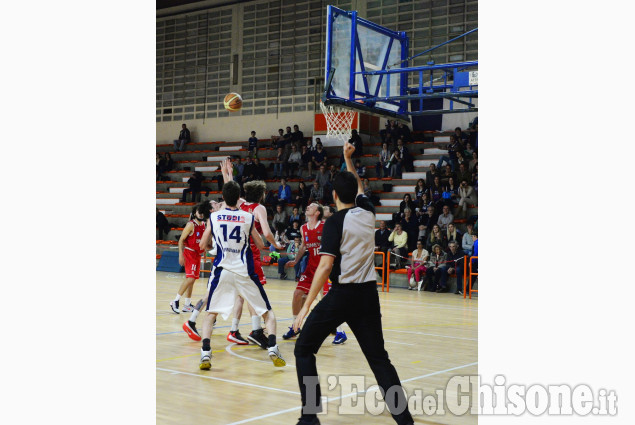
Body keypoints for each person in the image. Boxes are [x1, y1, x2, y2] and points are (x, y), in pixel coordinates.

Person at [292, 142, 414, 425]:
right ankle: (405, 420)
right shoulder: (368, 212)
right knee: (379, 360)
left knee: (304, 349)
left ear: (333, 195)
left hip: (342, 295)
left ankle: (309, 417)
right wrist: (349, 159)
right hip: (368, 296)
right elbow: (358, 188)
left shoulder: (334, 223)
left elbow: (324, 266)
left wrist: (305, 307)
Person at [197, 180, 286, 370]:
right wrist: (277, 250)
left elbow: (202, 245)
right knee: (267, 313)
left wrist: (217, 246)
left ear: (223, 196)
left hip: (222, 269)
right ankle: (272, 347)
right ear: (239, 198)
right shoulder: (248, 217)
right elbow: (261, 245)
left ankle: (205, 352)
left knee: (210, 313)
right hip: (244, 270)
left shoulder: (214, 217)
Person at [281, 202, 324, 340]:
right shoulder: (303, 228)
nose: (308, 207)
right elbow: (303, 247)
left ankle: (338, 330)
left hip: (324, 268)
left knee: (325, 300)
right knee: (297, 294)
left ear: (317, 212)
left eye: (311, 206)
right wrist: (296, 260)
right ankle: (295, 327)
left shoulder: (324, 226)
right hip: (311, 268)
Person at [170, 202, 211, 314]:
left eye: (202, 212)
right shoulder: (190, 225)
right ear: (194, 213)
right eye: (199, 212)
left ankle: (187, 304)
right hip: (190, 253)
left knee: (192, 281)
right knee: (190, 278)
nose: (201, 214)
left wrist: (205, 254)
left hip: (197, 254)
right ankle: (175, 301)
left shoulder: (203, 225)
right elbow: (181, 240)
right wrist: (180, 254)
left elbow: (203, 242)